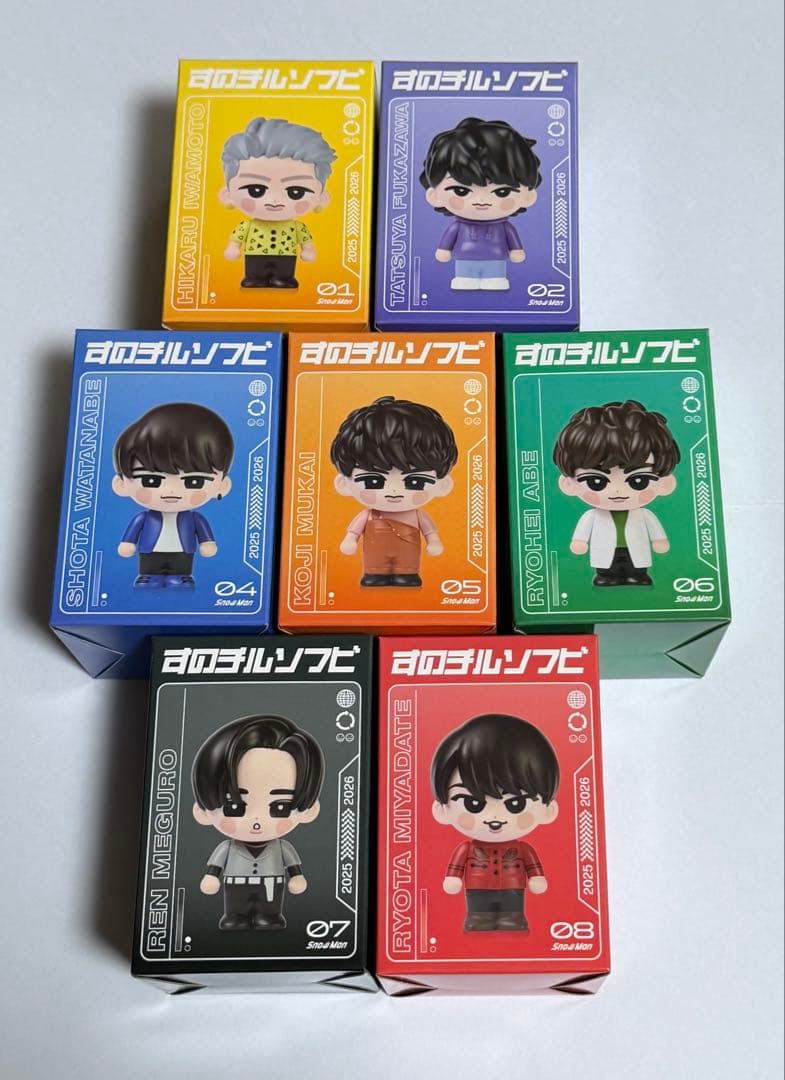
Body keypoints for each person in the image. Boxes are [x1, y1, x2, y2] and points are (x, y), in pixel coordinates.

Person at [191, 715, 324, 931]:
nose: (256, 821)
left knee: (269, 910)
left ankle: (270, 917)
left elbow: (293, 867)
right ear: (203, 811)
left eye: (279, 807)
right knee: (235, 911)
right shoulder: (227, 848)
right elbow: (215, 867)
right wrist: (211, 877)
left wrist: (297, 877)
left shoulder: (281, 847)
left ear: (309, 811)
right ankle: (234, 917)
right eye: (235, 807)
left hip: (271, 885)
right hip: (236, 886)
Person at [431, 713, 559, 932]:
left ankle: (513, 917)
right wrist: (453, 878)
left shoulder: (523, 849)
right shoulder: (466, 849)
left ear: (548, 810)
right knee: (478, 914)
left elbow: (532, 866)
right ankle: (478, 918)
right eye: (473, 803)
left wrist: (537, 877)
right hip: (477, 888)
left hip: (513, 888)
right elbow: (456, 868)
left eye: (516, 803)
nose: (494, 816)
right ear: (442, 810)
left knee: (513, 912)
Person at [330, 395, 457, 587]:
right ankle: (375, 575)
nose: (394, 491)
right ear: (343, 484)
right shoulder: (368, 515)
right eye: (373, 481)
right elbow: (354, 532)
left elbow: (430, 532)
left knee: (407, 571)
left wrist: (434, 541)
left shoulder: (417, 515)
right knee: (374, 571)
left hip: (408, 553)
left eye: (415, 482)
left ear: (443, 485)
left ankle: (407, 575)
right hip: (374, 555)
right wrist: (350, 540)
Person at [553, 399, 680, 586]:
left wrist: (659, 540)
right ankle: (606, 576)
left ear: (665, 483)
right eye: (596, 481)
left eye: (639, 480)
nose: (617, 491)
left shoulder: (644, 515)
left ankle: (637, 575)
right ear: (568, 484)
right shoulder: (592, 516)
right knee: (606, 566)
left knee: (636, 565)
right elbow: (582, 532)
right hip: (605, 550)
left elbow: (655, 530)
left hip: (635, 549)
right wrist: (580, 541)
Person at [112, 402, 233, 589]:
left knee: (181, 570)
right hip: (150, 553)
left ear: (222, 486)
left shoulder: (194, 519)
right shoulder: (144, 518)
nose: (170, 491)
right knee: (149, 570)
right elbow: (133, 531)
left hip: (182, 554)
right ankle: (148, 577)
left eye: (194, 482)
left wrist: (207, 542)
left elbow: (203, 533)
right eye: (151, 481)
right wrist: (127, 543)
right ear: (121, 485)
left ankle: (182, 577)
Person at [419, 116, 541, 291]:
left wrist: (516, 250)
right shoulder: (458, 226)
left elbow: (513, 240)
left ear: (528, 196)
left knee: (495, 279)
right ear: (434, 196)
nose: (481, 200)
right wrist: (444, 250)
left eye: (502, 192)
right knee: (464, 279)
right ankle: (465, 279)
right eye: (461, 191)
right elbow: (448, 239)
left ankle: (495, 280)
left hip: (496, 260)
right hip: (464, 259)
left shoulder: (504, 227)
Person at [220, 117, 337, 288]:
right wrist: (233, 248)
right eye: (256, 190)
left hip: (286, 256)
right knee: (254, 272)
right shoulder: (247, 226)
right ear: (227, 195)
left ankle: (284, 279)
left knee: (285, 272)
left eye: (295, 192)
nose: (274, 201)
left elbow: (306, 241)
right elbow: (236, 239)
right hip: (254, 255)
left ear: (321, 198)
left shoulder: (297, 228)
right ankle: (255, 278)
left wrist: (308, 250)